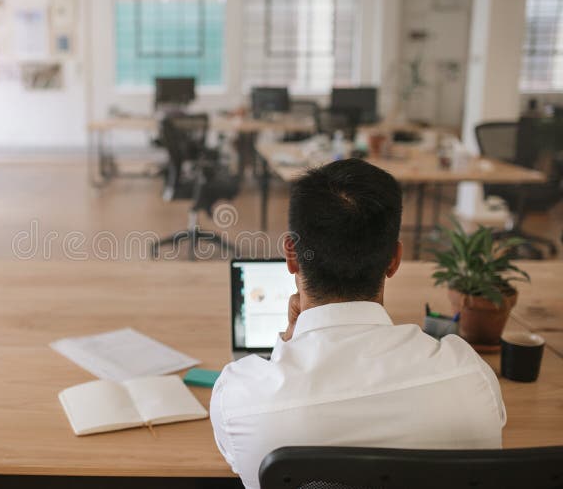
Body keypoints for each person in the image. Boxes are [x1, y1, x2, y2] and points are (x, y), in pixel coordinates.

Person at [210, 159, 505, 489]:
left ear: (291, 256)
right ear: (394, 259)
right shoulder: (470, 379)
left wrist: (290, 340)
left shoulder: (240, 399)